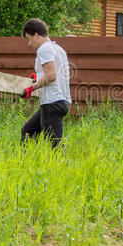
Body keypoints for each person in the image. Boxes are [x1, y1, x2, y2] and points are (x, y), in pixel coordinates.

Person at [19, 18, 72, 149]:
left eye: (29, 39)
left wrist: (33, 87)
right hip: (62, 101)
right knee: (28, 130)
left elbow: (52, 75)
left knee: (55, 144)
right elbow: (55, 74)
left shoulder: (43, 49)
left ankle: (62, 167)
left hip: (52, 102)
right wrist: (37, 77)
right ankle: (28, 162)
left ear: (36, 35)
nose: (29, 44)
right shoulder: (59, 49)